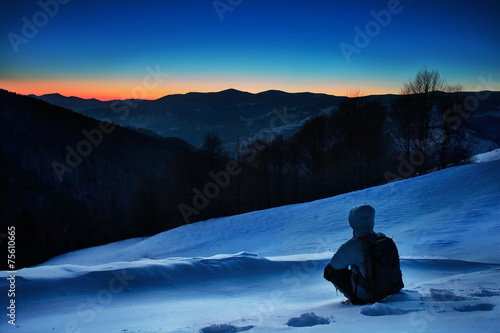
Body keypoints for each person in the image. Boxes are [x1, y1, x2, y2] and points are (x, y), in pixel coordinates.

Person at [324, 205, 403, 304]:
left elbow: (335, 264)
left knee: (330, 270)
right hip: (393, 288)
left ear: (353, 221)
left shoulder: (353, 245)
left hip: (367, 296)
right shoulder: (382, 237)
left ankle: (355, 296)